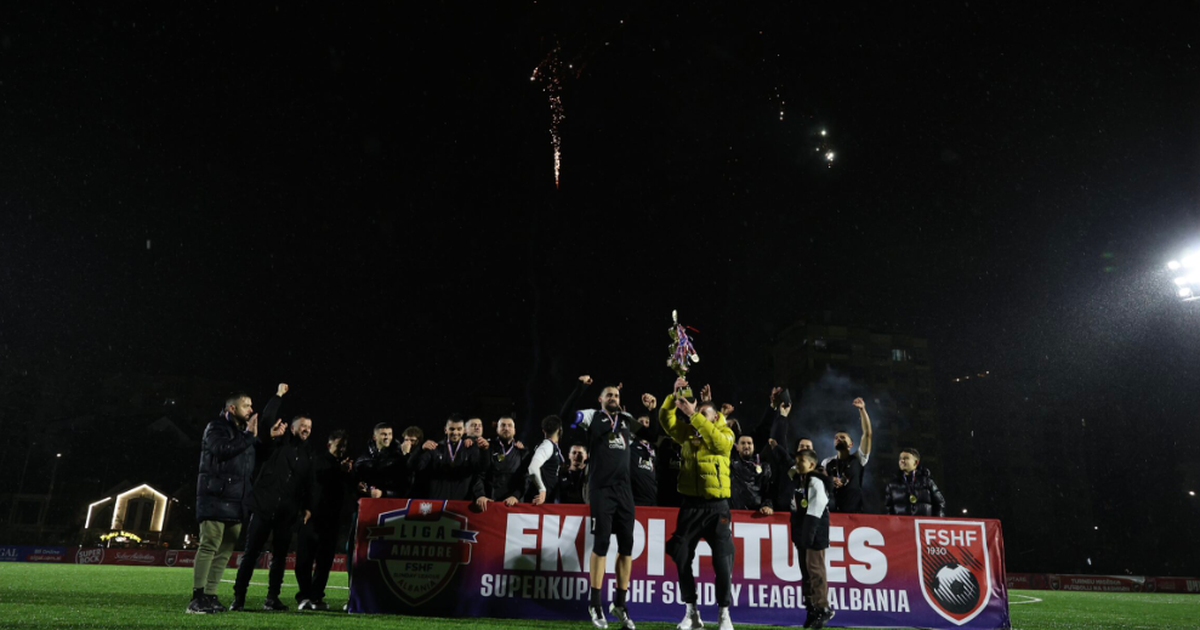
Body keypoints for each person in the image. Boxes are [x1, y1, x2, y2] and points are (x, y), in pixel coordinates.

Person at [187, 387, 284, 614]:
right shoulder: (216, 427)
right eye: (246, 405)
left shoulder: (244, 432)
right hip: (215, 497)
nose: (251, 409)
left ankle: (210, 595)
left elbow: (259, 456)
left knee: (225, 550)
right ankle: (197, 598)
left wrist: (270, 439)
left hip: (238, 500)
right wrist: (249, 435)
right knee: (209, 545)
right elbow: (222, 450)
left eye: (251, 405)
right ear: (232, 408)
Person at [659, 377, 736, 630]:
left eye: (704, 413)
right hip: (690, 506)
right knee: (681, 556)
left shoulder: (726, 434)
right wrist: (672, 398)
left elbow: (717, 442)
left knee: (722, 561)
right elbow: (666, 421)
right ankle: (691, 613)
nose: (697, 416)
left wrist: (694, 414)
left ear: (715, 417)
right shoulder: (688, 433)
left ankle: (724, 614)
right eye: (697, 412)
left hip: (717, 507)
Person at [562, 375, 637, 630]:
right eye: (609, 395)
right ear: (600, 399)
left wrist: (651, 410)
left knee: (627, 546)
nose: (613, 398)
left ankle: (620, 604)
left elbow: (651, 434)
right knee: (602, 543)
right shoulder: (592, 416)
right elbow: (565, 415)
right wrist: (579, 388)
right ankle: (595, 603)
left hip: (624, 491)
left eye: (616, 395)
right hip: (601, 490)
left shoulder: (626, 420)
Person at [233, 408, 317, 612]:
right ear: (293, 428)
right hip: (263, 508)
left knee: (279, 557)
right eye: (303, 426)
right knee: (251, 554)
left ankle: (272, 598)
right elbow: (266, 424)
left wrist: (307, 507)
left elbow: (308, 484)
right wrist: (278, 396)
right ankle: (239, 598)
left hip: (286, 514)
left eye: (309, 427)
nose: (306, 429)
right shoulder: (277, 444)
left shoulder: (308, 455)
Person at [296, 429, 354, 611]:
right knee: (304, 559)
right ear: (329, 445)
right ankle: (304, 596)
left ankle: (316, 597)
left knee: (325, 561)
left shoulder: (345, 466)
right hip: (313, 517)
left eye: (344, 446)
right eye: (339, 445)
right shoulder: (318, 461)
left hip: (332, 520)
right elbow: (318, 478)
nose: (342, 449)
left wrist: (348, 474)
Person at [791, 449, 835, 629]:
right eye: (796, 461)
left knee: (815, 570)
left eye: (801, 461)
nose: (797, 464)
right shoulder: (800, 479)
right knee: (806, 572)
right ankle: (811, 608)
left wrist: (808, 535)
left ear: (811, 464)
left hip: (814, 532)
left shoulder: (815, 480)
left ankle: (823, 607)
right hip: (803, 531)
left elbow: (817, 507)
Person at [411, 415, 489, 509]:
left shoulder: (470, 449)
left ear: (464, 430)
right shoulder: (435, 448)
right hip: (438, 505)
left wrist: (484, 451)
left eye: (459, 429)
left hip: (461, 505)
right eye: (452, 429)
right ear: (445, 430)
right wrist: (420, 449)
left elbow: (480, 470)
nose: (455, 432)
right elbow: (415, 467)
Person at [820, 397, 874, 513]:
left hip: (853, 513)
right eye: (836, 438)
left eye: (842, 437)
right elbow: (820, 482)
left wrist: (862, 410)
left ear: (851, 444)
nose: (838, 439)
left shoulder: (858, 459)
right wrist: (830, 480)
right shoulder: (827, 462)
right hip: (832, 512)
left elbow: (867, 434)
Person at [883, 448, 946, 517]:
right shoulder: (892, 485)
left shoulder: (927, 482)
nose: (902, 460)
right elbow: (887, 509)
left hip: (922, 523)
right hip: (901, 524)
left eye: (906, 458)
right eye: (900, 458)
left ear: (916, 462)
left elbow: (940, 504)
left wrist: (936, 521)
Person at [355, 423, 405, 499]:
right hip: (369, 502)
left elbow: (403, 486)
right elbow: (357, 478)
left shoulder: (398, 457)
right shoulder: (364, 457)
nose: (387, 437)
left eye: (389, 434)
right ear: (374, 437)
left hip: (391, 502)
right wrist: (360, 485)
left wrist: (383, 493)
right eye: (383, 434)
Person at [486, 415, 526, 505]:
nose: (506, 428)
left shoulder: (522, 451)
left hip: (513, 502)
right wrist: (481, 495)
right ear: (497, 429)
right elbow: (482, 474)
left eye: (509, 425)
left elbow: (526, 478)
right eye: (503, 425)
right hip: (491, 501)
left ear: (514, 430)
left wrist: (516, 496)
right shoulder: (488, 448)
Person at [526, 415, 566, 504]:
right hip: (541, 500)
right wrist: (542, 489)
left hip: (547, 499)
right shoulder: (547, 445)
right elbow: (533, 468)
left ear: (543, 430)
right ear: (560, 430)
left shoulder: (549, 445)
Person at [730, 435, 773, 514]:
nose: (746, 446)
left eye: (749, 443)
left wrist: (767, 505)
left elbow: (768, 491)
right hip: (734, 515)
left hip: (756, 516)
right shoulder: (730, 465)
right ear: (737, 447)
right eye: (743, 443)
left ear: (753, 446)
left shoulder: (764, 468)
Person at [630, 412, 658, 507]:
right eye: (641, 422)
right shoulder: (630, 445)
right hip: (634, 498)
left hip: (651, 498)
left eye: (647, 422)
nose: (644, 424)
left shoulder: (655, 448)